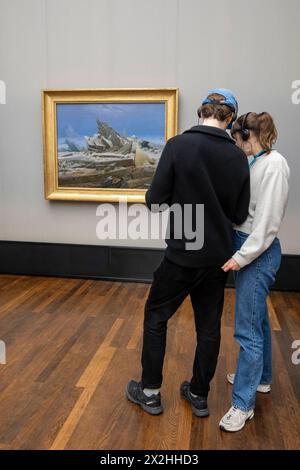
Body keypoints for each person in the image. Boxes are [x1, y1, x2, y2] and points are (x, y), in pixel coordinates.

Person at [126, 88, 250, 417]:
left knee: (156, 317)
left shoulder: (178, 145)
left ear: (201, 113)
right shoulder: (238, 157)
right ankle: (199, 394)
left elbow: (155, 200)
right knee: (208, 328)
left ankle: (150, 392)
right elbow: (239, 215)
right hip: (218, 259)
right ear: (230, 119)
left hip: (181, 255)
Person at [219, 112, 290, 432]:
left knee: (246, 330)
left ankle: (242, 404)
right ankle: (260, 378)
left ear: (250, 134)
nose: (236, 143)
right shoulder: (258, 160)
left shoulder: (275, 165)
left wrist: (242, 257)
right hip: (246, 244)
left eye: (238, 138)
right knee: (256, 319)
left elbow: (269, 224)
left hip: (257, 251)